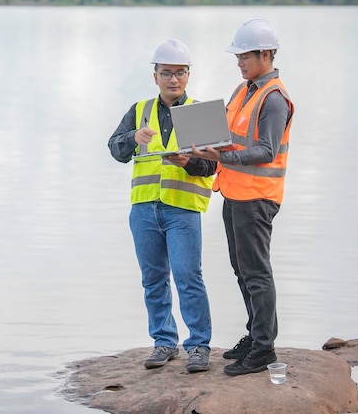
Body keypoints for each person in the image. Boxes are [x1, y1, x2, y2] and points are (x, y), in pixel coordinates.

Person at [190, 19, 295, 376]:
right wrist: (201, 144)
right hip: (234, 193)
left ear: (265, 54)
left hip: (257, 198)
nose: (238, 63)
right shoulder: (243, 89)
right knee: (242, 271)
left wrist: (222, 157)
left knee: (256, 274)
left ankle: (264, 348)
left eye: (244, 57)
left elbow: (266, 150)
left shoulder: (274, 99)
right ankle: (255, 336)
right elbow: (228, 133)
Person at [107, 39, 216, 373]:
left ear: (188, 75)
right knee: (153, 279)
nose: (173, 80)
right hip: (143, 209)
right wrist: (132, 139)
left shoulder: (199, 112)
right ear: (155, 76)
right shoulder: (139, 111)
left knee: (188, 277)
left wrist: (187, 162)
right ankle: (164, 342)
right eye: (166, 73)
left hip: (182, 209)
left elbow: (212, 166)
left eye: (179, 73)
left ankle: (198, 346)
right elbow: (114, 148)